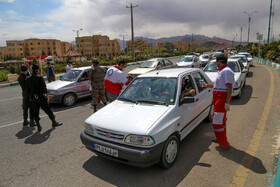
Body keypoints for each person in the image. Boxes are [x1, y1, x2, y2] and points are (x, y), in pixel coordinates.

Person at [202, 54, 234, 150]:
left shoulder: (226, 71)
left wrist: (227, 102)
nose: (216, 64)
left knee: (217, 122)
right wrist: (206, 85)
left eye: (216, 62)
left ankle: (224, 144)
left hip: (221, 100)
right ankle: (220, 138)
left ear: (219, 62)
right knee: (221, 121)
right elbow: (218, 86)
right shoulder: (222, 71)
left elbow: (229, 87)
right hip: (219, 100)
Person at [26, 64, 63, 132]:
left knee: (36, 112)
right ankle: (54, 122)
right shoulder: (39, 77)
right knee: (48, 110)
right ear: (37, 70)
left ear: (31, 70)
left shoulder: (28, 79)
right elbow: (44, 88)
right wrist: (47, 96)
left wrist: (32, 96)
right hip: (41, 97)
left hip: (33, 98)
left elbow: (27, 90)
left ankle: (38, 125)